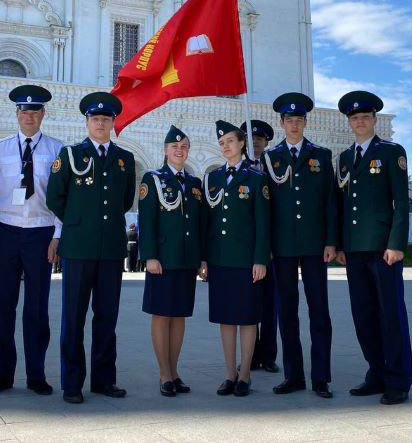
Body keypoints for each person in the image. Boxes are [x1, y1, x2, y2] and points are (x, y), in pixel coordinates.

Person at [46, 92, 136, 404]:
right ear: (87, 122)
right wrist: (78, 222)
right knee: (73, 317)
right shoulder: (70, 155)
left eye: (106, 119)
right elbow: (54, 197)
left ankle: (103, 379)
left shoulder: (125, 158)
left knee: (107, 317)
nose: (101, 123)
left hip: (111, 249)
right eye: (95, 118)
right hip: (78, 248)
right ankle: (71, 382)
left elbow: (125, 200)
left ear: (113, 123)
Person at [0, 84, 64, 397]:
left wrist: (57, 234)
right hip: (6, 231)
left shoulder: (57, 148)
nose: (29, 116)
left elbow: (62, 196)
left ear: (43, 114)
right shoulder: (0, 148)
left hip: (41, 233)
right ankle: (2, 373)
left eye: (35, 110)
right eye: (24, 111)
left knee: (37, 308)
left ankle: (36, 374)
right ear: (17, 114)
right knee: (3, 305)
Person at [335, 91, 412, 405]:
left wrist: (396, 244)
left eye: (365, 117)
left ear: (374, 120)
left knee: (390, 314)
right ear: (350, 123)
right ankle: (375, 373)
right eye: (355, 118)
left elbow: (400, 202)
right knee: (363, 314)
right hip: (354, 249)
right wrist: (340, 244)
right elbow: (341, 205)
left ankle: (397, 379)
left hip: (383, 250)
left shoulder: (392, 152)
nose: (360, 122)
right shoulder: (343, 158)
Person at [261, 94, 335, 399]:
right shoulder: (270, 157)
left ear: (305, 122)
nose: (294, 124)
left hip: (316, 245)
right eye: (289, 120)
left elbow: (330, 201)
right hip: (282, 247)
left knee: (319, 311)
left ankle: (321, 378)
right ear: (281, 124)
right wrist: (266, 246)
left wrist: (331, 240)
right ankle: (293, 375)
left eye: (299, 120)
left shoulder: (321, 155)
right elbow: (265, 206)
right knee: (286, 312)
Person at [203, 120, 270, 398]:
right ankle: (229, 373)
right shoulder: (213, 178)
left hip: (246, 260)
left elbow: (263, 223)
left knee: (247, 318)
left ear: (242, 143)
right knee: (226, 318)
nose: (225, 146)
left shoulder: (256, 178)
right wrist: (205, 258)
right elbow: (207, 222)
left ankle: (245, 375)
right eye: (221, 143)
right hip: (220, 259)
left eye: (230, 141)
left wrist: (260, 259)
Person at [137, 125, 206, 397]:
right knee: (161, 315)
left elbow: (199, 224)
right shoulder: (152, 179)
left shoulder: (194, 184)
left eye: (184, 146)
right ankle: (164, 372)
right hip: (162, 260)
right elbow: (147, 220)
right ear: (165, 150)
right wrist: (150, 256)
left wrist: (202, 258)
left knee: (179, 316)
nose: (180, 150)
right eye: (175, 146)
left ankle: (175, 371)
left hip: (187, 260)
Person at [240, 119, 280, 375]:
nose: (255, 142)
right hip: (244, 248)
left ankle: (268, 356)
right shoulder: (239, 169)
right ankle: (248, 356)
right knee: (247, 304)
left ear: (266, 143)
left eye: (260, 139)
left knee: (269, 304)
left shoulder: (274, 167)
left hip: (270, 248)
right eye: (251, 138)